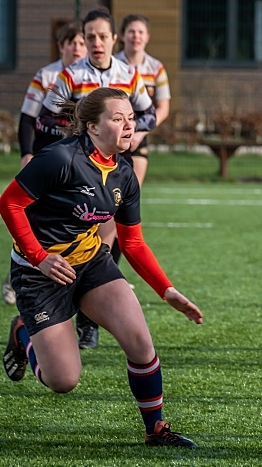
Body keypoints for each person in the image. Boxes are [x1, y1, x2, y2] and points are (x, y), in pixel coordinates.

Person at [0, 87, 202, 447]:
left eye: (131, 118)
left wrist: (166, 290)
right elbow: (9, 204)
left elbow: (133, 242)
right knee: (62, 380)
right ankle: (23, 333)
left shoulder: (124, 174)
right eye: (118, 118)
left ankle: (154, 428)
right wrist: (40, 258)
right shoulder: (61, 158)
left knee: (140, 342)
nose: (129, 126)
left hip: (91, 264)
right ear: (92, 127)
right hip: (39, 273)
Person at [36, 9, 157, 349]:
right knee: (76, 240)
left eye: (103, 36)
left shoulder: (129, 74)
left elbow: (148, 113)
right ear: (84, 39)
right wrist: (76, 131)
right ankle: (57, 308)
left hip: (115, 164)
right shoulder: (70, 75)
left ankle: (89, 320)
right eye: (90, 37)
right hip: (75, 166)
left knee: (108, 241)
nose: (97, 43)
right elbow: (45, 120)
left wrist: (137, 132)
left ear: (113, 39)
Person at [2, 22, 87, 307]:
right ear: (61, 46)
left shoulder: (91, 76)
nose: (77, 48)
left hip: (76, 161)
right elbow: (28, 117)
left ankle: (81, 274)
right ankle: (17, 272)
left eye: (81, 43)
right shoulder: (47, 75)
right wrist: (27, 152)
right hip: (46, 156)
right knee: (35, 218)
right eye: (71, 42)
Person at [115, 13, 171, 186]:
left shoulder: (156, 68)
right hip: (113, 134)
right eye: (131, 31)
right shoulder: (112, 65)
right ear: (123, 35)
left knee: (133, 191)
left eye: (140, 32)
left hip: (139, 135)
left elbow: (163, 108)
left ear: (147, 37)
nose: (136, 36)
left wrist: (141, 132)